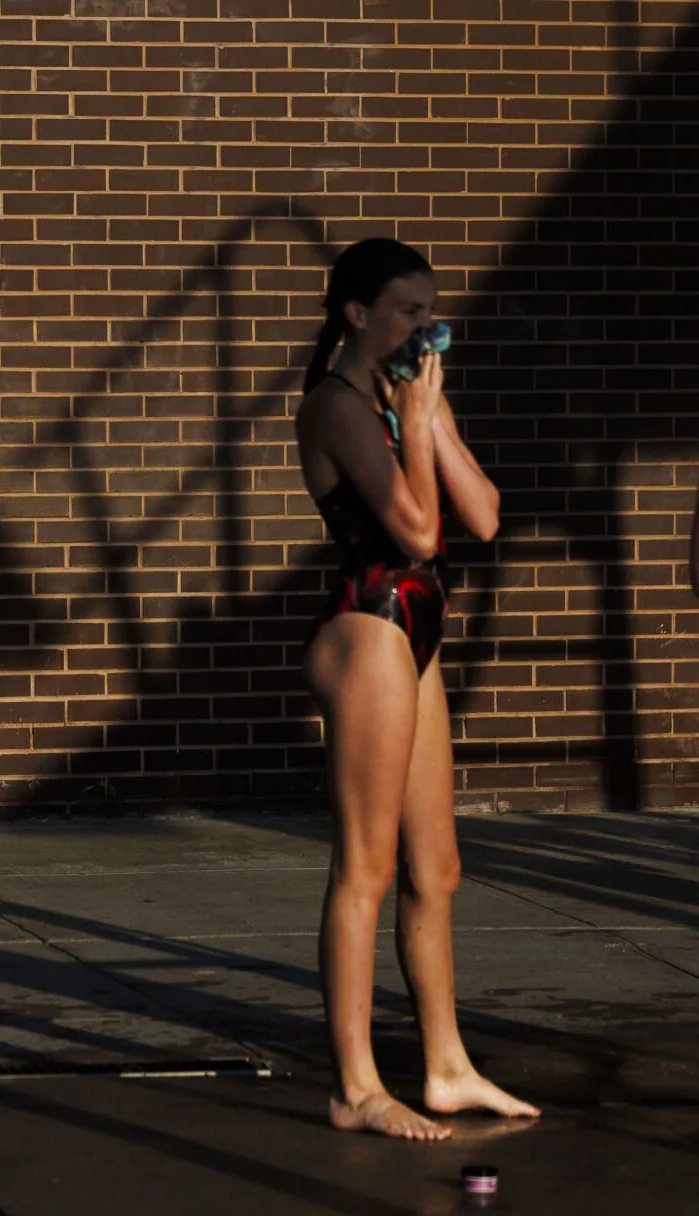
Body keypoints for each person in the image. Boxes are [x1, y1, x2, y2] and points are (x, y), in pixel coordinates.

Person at [295, 238, 542, 1140]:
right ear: (358, 315)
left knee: (436, 869)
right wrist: (411, 420)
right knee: (362, 865)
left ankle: (443, 1066)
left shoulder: (406, 401)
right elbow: (418, 534)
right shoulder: (338, 406)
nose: (424, 327)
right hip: (367, 630)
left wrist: (430, 419)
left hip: (418, 631)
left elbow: (482, 514)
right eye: (407, 310)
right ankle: (355, 1087)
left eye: (430, 311)